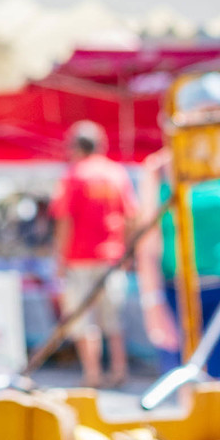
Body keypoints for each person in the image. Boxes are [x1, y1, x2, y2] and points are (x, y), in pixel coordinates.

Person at [135, 139, 220, 382]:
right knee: (183, 384)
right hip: (177, 291)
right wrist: (152, 303)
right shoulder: (159, 169)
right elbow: (147, 243)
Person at [51, 121, 136, 389]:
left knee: (83, 321)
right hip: (111, 257)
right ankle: (119, 370)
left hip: (79, 258)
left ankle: (93, 374)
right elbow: (132, 216)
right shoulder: (117, 174)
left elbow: (64, 220)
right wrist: (128, 251)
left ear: (76, 147)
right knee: (113, 320)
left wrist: (59, 259)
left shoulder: (73, 176)